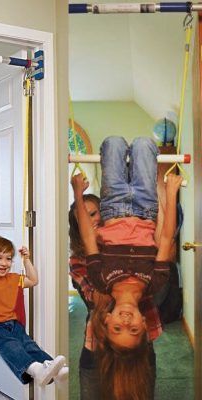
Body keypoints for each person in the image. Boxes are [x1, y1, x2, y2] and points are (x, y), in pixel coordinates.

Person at [71, 136, 182, 400]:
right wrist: (170, 194)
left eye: (117, 328)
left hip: (113, 207)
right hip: (146, 208)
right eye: (133, 329)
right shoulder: (154, 282)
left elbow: (88, 239)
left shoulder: (100, 280)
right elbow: (166, 238)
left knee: (112, 144)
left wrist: (77, 194)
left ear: (106, 321)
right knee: (144, 144)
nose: (125, 322)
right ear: (144, 324)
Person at [0, 234, 68, 387]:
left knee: (30, 346)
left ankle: (57, 370)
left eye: (8, 258)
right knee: (11, 347)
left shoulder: (14, 278)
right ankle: (35, 369)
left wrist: (27, 260)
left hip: (14, 324)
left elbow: (34, 280)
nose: (4, 263)